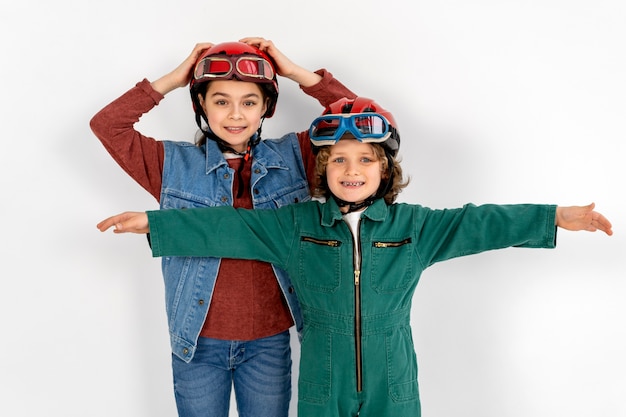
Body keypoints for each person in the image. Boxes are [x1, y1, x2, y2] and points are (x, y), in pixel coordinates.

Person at [97, 97, 613, 417]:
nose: (352, 169)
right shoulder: (296, 224)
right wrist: (155, 223)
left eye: (366, 159)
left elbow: (477, 221)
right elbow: (230, 227)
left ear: (384, 171)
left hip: (395, 381)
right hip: (324, 385)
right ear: (320, 170)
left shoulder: (414, 226)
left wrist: (553, 217)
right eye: (338, 160)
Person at [90, 37, 356, 417]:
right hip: (196, 344)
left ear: (266, 106)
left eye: (249, 102)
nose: (235, 115)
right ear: (201, 103)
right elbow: (107, 125)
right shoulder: (172, 164)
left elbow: (359, 122)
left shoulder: (295, 156)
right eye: (221, 101)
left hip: (268, 341)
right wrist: (172, 80)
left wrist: (296, 72)